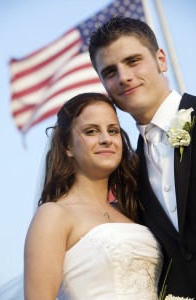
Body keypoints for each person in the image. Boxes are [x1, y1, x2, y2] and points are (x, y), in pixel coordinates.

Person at [88, 15, 196, 298]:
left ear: (161, 59)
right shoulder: (128, 174)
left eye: (133, 61)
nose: (123, 77)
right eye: (110, 72)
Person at [24, 92, 163, 300]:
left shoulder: (132, 212)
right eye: (91, 131)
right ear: (67, 146)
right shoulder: (54, 214)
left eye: (113, 130)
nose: (106, 139)